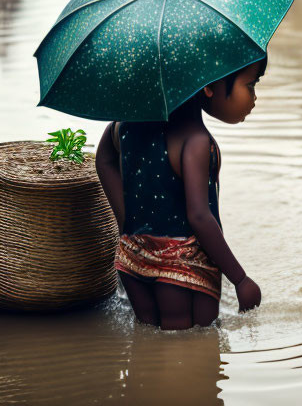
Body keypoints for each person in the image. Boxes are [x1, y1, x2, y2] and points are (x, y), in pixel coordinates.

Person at [94, 59, 265, 329]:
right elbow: (199, 216)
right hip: (182, 272)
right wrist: (240, 279)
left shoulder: (123, 125)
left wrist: (126, 224)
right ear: (208, 86)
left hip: (132, 262)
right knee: (191, 352)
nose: (254, 97)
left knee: (150, 344)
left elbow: (103, 160)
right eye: (251, 85)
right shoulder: (195, 140)